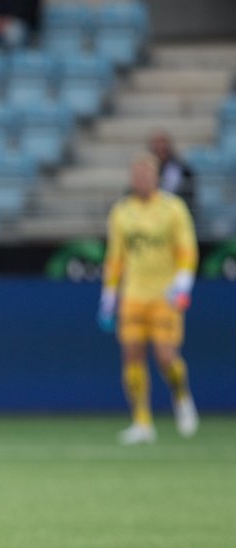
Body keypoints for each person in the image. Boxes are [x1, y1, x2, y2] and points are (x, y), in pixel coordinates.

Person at [99, 153, 200, 444]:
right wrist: (109, 295)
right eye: (137, 176)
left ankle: (181, 395)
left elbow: (187, 250)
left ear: (156, 178)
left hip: (165, 295)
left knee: (165, 356)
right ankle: (142, 422)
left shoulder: (173, 208)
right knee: (131, 355)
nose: (141, 180)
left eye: (146, 175)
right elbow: (116, 256)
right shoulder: (122, 211)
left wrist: (182, 286)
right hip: (133, 295)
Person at [148, 130, 197, 211]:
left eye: (163, 143)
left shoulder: (182, 170)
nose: (160, 147)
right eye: (157, 144)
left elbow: (189, 195)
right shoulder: (144, 171)